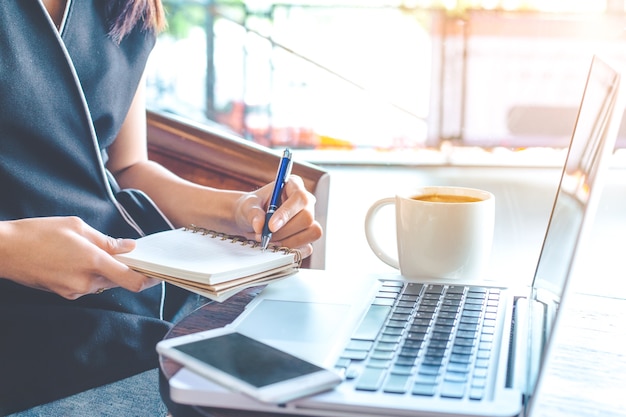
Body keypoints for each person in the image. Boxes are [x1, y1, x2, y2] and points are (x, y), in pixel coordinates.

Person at [0, 1, 322, 415]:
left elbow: (128, 167)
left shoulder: (124, 7)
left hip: (131, 294)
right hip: (27, 330)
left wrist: (242, 210)